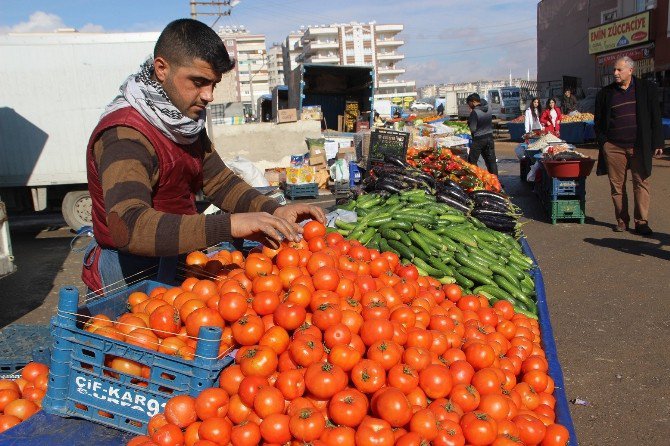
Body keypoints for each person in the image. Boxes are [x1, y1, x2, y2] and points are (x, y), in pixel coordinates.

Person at [82, 19, 325, 295]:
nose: (208, 95)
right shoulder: (125, 135)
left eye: (213, 84)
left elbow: (220, 182)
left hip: (178, 262)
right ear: (161, 68)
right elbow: (128, 226)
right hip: (129, 275)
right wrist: (229, 225)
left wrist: (273, 210)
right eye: (198, 82)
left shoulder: (184, 124)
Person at [594, 56, 664, 235]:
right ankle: (621, 220)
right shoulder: (605, 93)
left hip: (639, 146)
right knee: (617, 186)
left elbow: (656, 116)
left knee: (641, 183)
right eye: (614, 70)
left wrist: (657, 142)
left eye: (619, 70)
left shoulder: (646, 89)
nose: (615, 73)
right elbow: (599, 121)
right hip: (614, 147)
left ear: (630, 70)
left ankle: (641, 221)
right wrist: (604, 143)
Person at [466, 93, 498, 175]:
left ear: (473, 102)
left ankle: (476, 179)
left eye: (469, 103)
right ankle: (496, 182)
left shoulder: (475, 112)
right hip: (490, 138)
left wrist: (469, 122)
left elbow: (472, 129)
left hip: (478, 140)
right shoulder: (489, 108)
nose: (469, 106)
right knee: (491, 161)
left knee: (472, 161)